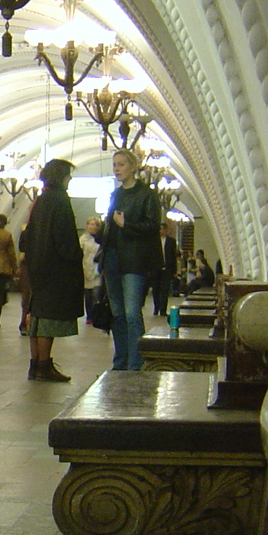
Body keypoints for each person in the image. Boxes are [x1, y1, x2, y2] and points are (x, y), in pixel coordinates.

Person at [23, 159, 85, 381]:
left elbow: (27, 236)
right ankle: (44, 366)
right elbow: (65, 236)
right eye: (68, 175)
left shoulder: (40, 200)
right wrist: (75, 255)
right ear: (61, 176)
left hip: (38, 267)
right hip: (57, 268)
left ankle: (35, 365)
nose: (70, 179)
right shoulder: (60, 200)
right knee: (48, 318)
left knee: (37, 315)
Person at [102, 148, 163, 371]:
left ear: (133, 166)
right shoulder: (116, 194)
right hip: (112, 258)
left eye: (121, 164)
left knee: (131, 313)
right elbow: (112, 224)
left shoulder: (146, 194)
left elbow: (153, 226)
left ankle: (136, 363)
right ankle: (120, 360)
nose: (117, 169)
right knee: (117, 313)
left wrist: (126, 225)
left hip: (134, 260)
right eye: (115, 164)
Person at [81, 216, 104, 322]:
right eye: (90, 224)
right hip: (86, 268)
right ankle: (89, 316)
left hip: (97, 269)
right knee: (88, 295)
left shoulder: (101, 239)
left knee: (96, 293)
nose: (92, 226)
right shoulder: (83, 239)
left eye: (94, 224)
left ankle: (96, 315)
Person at [152, 223, 179, 316]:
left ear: (166, 230)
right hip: (156, 268)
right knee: (155, 289)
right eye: (159, 229)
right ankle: (156, 308)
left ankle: (163, 310)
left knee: (165, 290)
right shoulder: (154, 241)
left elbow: (173, 256)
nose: (161, 231)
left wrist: (174, 270)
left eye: (163, 229)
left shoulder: (171, 241)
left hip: (167, 268)